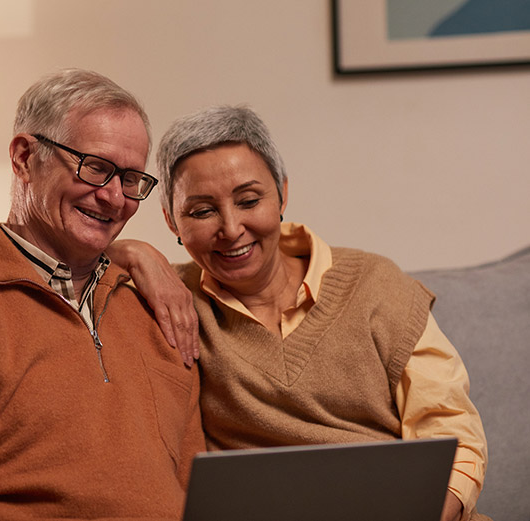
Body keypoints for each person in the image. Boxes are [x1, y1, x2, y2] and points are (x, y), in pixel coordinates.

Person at [111, 105, 490, 521]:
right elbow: (51, 257)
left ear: (282, 195)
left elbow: (452, 431)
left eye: (249, 200)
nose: (232, 228)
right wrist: (130, 251)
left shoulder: (376, 283)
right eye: (202, 211)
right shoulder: (171, 303)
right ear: (171, 222)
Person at [0, 69, 205, 521]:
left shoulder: (159, 306)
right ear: (25, 158)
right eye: (96, 168)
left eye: (129, 179)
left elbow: (201, 497)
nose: (114, 198)